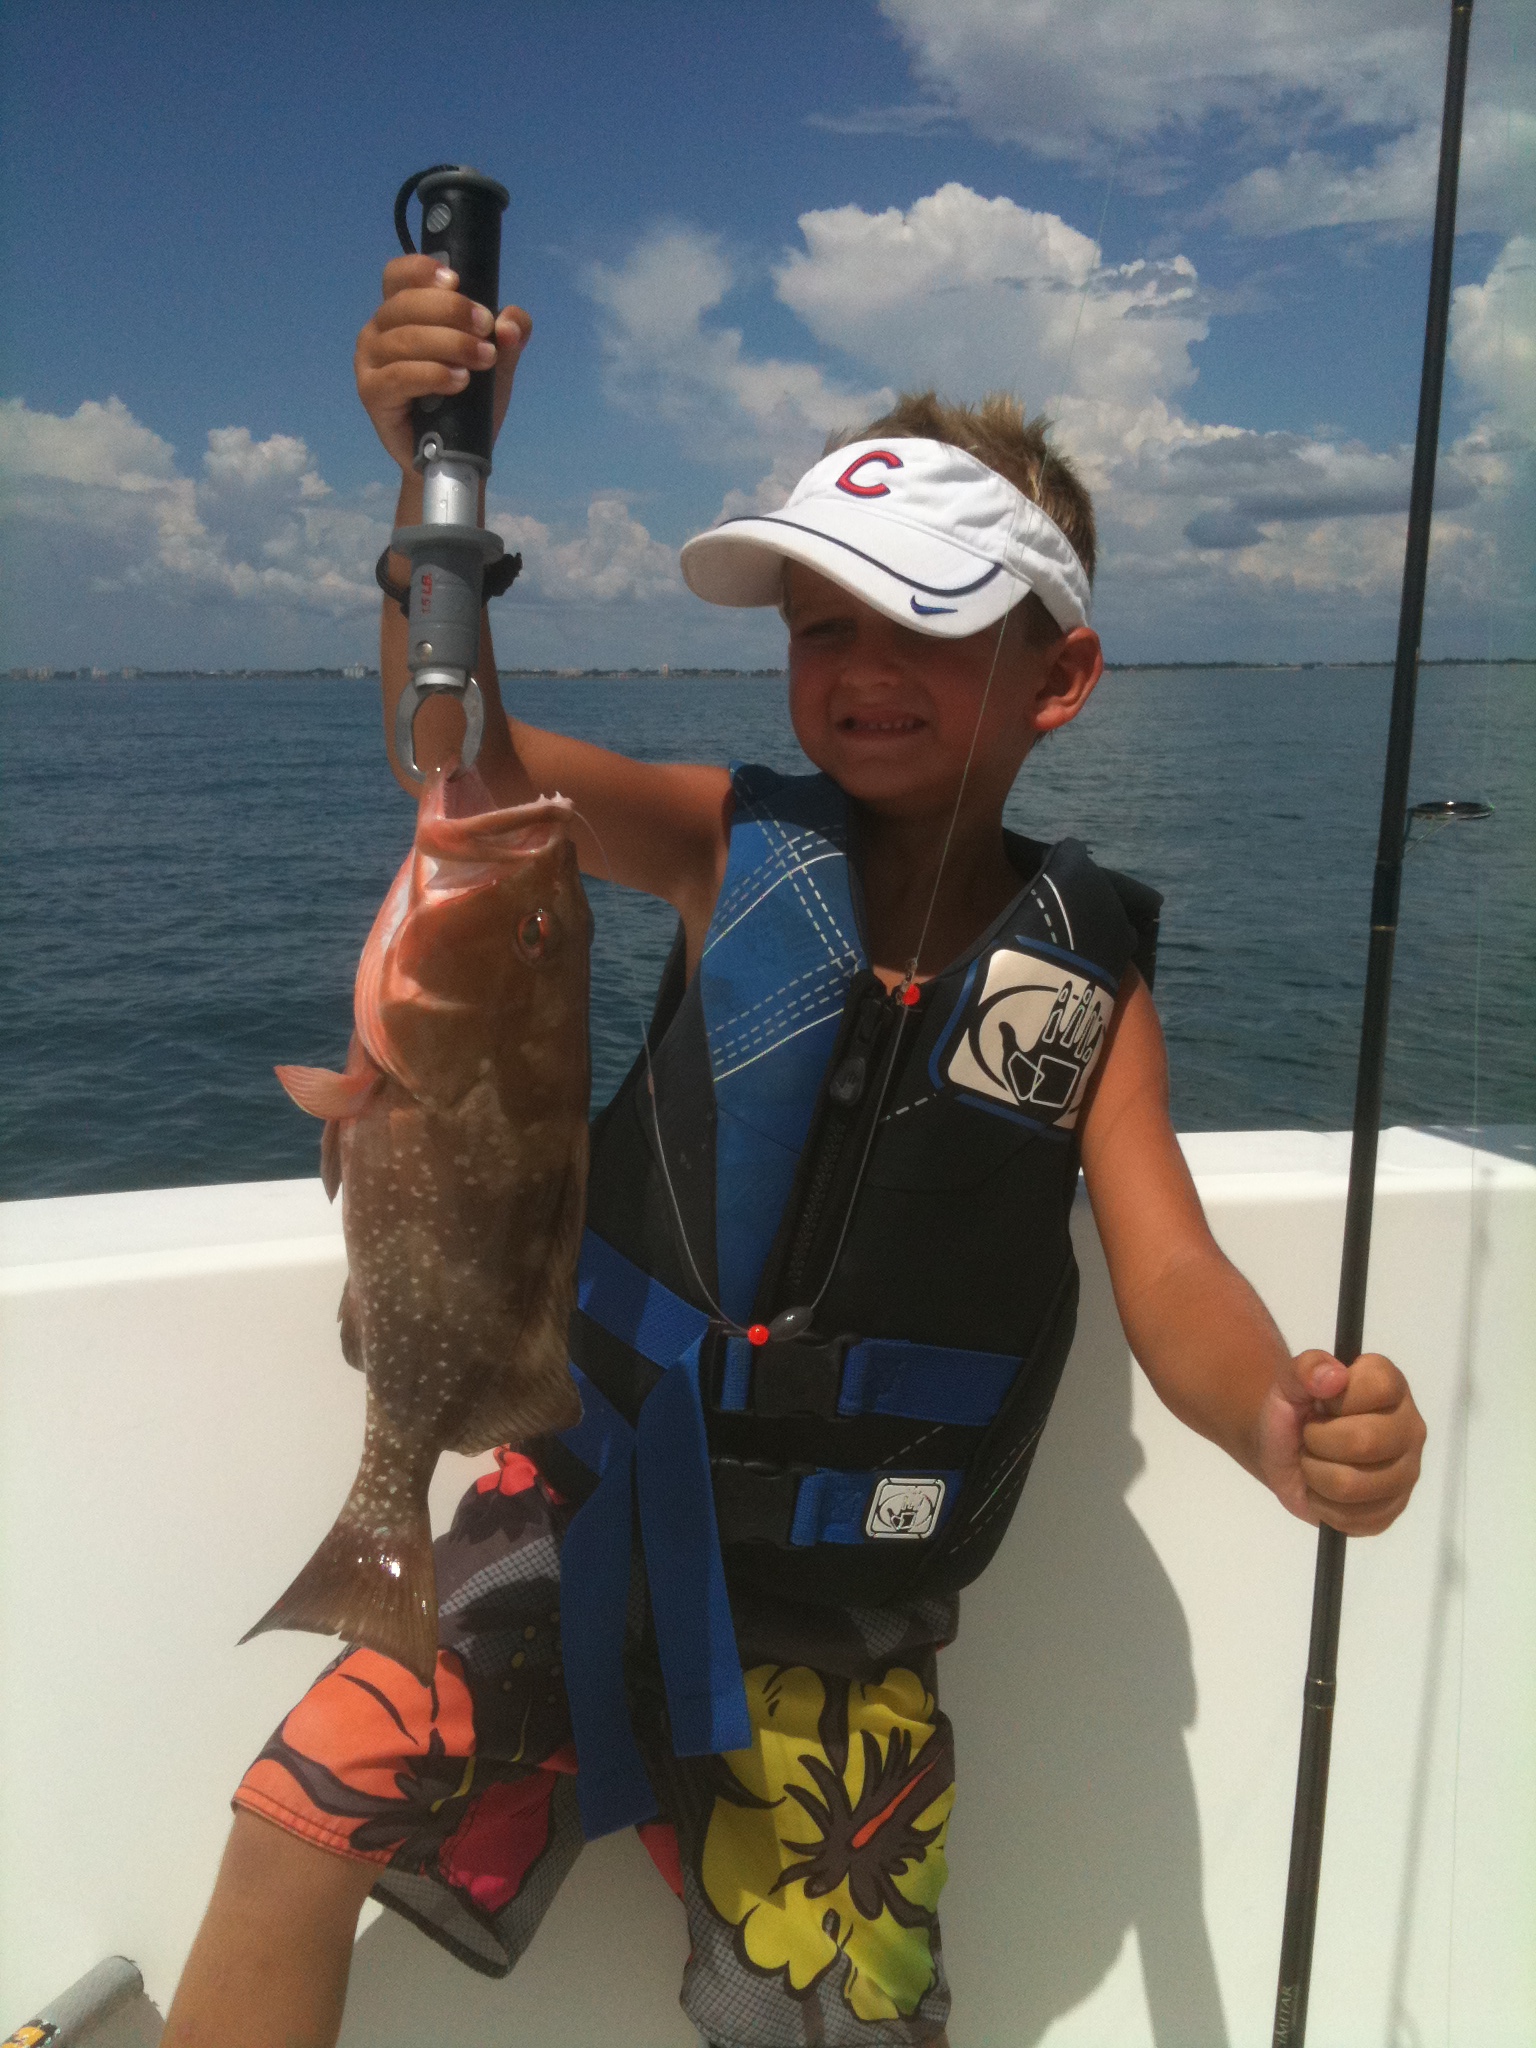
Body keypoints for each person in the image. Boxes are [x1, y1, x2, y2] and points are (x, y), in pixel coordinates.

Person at [164, 256, 1427, 2048]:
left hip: (847, 1616)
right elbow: (457, 753)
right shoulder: (718, 846)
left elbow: (1173, 1276)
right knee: (295, 1822)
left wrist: (1280, 1417)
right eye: (819, 622)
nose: (857, 667)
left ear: (1057, 675)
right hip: (585, 1506)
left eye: (922, 624)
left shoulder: (1089, 983)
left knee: (842, 2028)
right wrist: (428, 494)